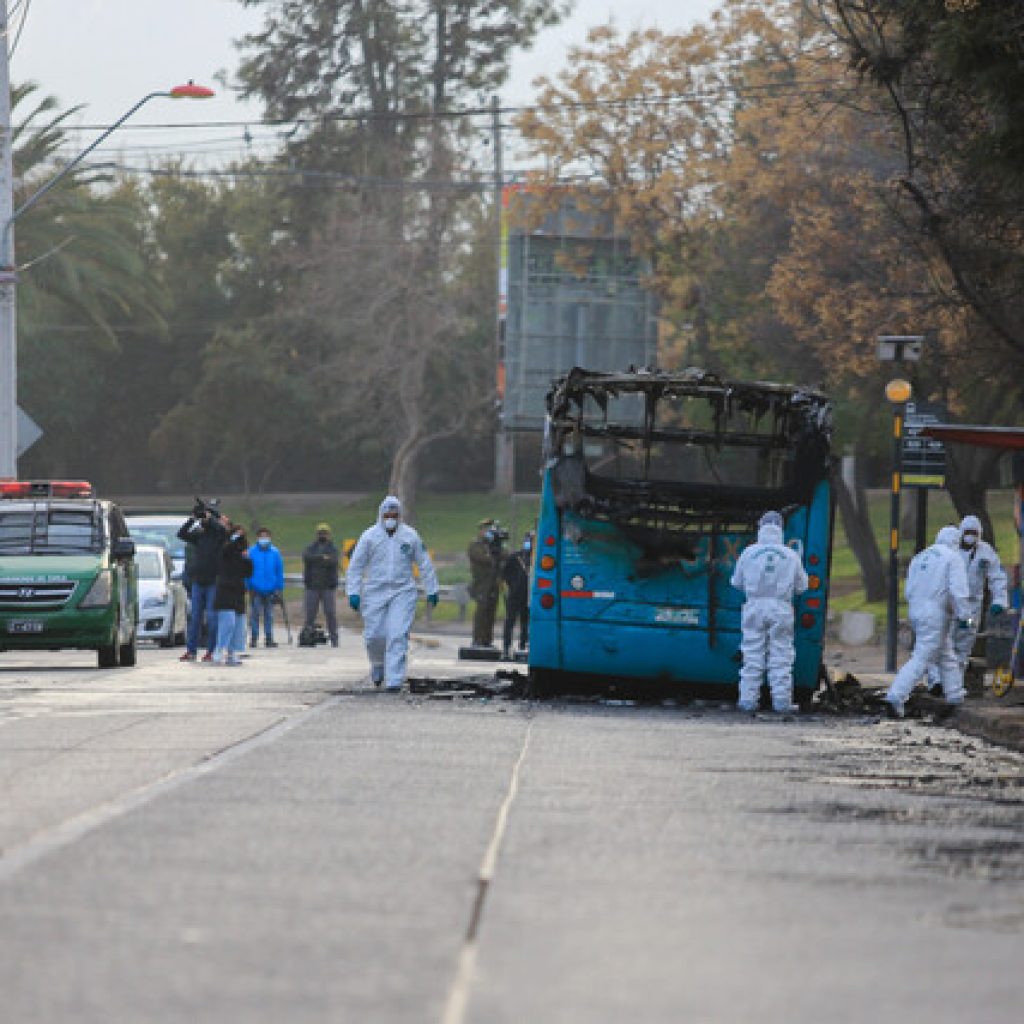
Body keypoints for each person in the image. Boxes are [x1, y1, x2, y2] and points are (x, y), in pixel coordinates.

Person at [346, 495, 439, 691]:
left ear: (400, 516)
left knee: (397, 634)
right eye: (387, 515)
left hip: (402, 591)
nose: (391, 518)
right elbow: (356, 566)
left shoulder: (410, 536)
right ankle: (378, 663)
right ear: (381, 515)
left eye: (394, 515)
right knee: (374, 635)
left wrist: (432, 589)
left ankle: (394, 680)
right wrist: (353, 591)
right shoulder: (369, 537)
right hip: (375, 591)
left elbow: (424, 563)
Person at [885, 526, 972, 718]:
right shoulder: (952, 557)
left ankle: (955, 695)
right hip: (936, 614)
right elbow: (959, 591)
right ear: (955, 541)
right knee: (922, 657)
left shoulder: (920, 557)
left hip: (917, 611)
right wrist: (965, 617)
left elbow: (908, 590)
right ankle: (896, 696)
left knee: (946, 653)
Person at [729, 511, 809, 713]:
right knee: (781, 656)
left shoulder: (748, 553)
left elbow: (736, 582)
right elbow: (802, 586)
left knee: (752, 656)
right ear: (781, 530)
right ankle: (781, 703)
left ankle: (748, 701)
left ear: (760, 528)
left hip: (754, 607)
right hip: (781, 608)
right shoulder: (791, 555)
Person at [926, 513, 1007, 696]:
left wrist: (999, 601)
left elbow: (997, 577)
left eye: (975, 533)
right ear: (961, 532)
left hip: (971, 609)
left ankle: (954, 685)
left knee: (963, 645)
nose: (971, 536)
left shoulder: (985, 553)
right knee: (939, 643)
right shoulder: (949, 550)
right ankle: (935, 681)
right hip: (948, 606)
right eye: (968, 532)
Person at [177, 498, 227, 662]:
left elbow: (221, 530)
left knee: (212, 619)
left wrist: (209, 518)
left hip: (213, 581)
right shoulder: (199, 536)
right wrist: (192, 518)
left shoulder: (219, 536)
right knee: (195, 618)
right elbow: (182, 534)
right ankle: (191, 651)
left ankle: (211, 651)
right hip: (198, 581)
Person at [212, 523, 253, 666]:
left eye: (241, 534)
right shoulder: (225, 549)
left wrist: (247, 559)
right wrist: (234, 540)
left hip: (238, 591)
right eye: (237, 533)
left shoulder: (243, 554)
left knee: (238, 625)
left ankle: (232, 652)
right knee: (228, 622)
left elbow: (248, 572)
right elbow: (226, 551)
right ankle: (219, 649)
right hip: (225, 590)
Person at [302, 522, 340, 647]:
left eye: (324, 533)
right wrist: (322, 558)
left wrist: (317, 559)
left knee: (330, 613)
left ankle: (334, 638)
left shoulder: (333, 549)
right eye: (320, 533)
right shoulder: (310, 547)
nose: (322, 535)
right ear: (316, 534)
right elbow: (307, 557)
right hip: (312, 586)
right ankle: (307, 637)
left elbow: (333, 561)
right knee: (310, 613)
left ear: (329, 534)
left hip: (328, 586)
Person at [468, 518, 504, 648]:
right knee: (481, 612)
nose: (488, 533)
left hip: (493, 582)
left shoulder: (493, 545)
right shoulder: (476, 545)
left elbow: (505, 556)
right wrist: (493, 553)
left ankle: (487, 640)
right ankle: (477, 639)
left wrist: (497, 546)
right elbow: (483, 559)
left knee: (491, 612)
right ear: (481, 530)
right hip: (481, 583)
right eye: (487, 530)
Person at [247, 526, 285, 648]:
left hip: (271, 588)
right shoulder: (251, 552)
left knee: (269, 615)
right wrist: (248, 585)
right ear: (257, 538)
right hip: (255, 588)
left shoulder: (275, 552)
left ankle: (269, 638)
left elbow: (279, 571)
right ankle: (254, 638)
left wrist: (279, 587)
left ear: (270, 537)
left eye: (266, 536)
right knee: (255, 614)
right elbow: (246, 570)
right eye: (261, 536)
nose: (264, 539)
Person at [501, 531, 533, 659]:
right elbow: (505, 573)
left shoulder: (535, 558)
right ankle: (506, 647)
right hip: (514, 595)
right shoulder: (515, 557)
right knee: (510, 621)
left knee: (525, 623)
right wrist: (512, 585)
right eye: (527, 541)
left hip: (528, 596)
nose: (528, 544)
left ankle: (523, 646)